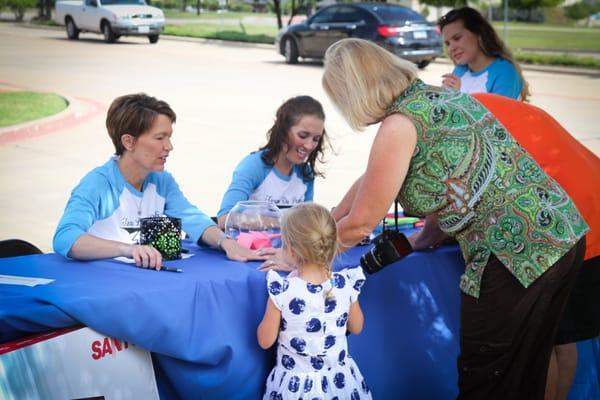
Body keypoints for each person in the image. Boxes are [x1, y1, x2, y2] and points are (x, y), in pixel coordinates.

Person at [322, 38, 588, 399]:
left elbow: (361, 224)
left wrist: (306, 252)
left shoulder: (400, 124)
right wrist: (330, 219)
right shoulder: (440, 99)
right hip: (558, 233)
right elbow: (385, 179)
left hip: (515, 253)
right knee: (526, 369)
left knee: (487, 376)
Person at [473, 93, 600, 400]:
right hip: (582, 219)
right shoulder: (482, 108)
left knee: (545, 346)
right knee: (560, 341)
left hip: (572, 231)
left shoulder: (459, 121)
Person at [53, 93, 264, 269]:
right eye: (159, 138)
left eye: (169, 137)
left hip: (141, 285)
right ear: (128, 141)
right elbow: (65, 238)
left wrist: (226, 243)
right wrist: (127, 249)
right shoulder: (98, 183)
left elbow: (193, 218)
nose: (169, 146)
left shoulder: (162, 180)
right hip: (101, 288)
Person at [257, 203, 371, 399]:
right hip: (340, 382)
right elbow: (357, 326)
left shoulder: (283, 291)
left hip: (297, 388)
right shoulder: (345, 284)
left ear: (291, 250)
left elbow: (265, 341)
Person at [217, 95, 328, 228]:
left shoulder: (305, 173)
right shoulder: (254, 166)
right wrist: (283, 223)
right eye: (303, 136)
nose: (309, 146)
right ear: (282, 131)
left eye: (316, 139)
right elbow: (225, 219)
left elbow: (307, 221)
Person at [438, 7, 530, 101]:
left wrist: (458, 97)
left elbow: (497, 115)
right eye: (447, 44)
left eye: (457, 38)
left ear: (478, 33)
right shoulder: (460, 70)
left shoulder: (505, 72)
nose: (451, 48)